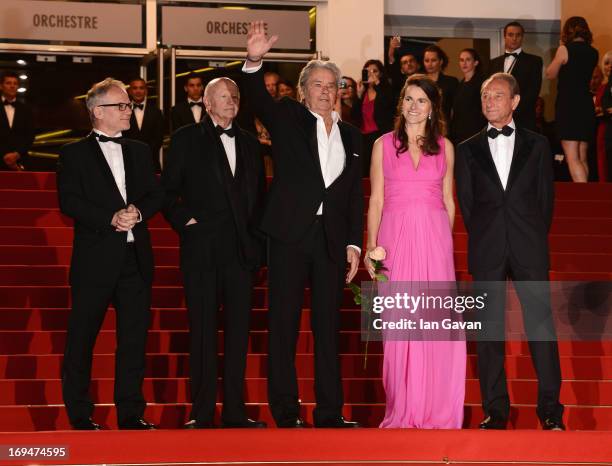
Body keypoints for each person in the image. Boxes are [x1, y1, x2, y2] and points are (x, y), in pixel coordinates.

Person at [244, 21, 363, 428]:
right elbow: (257, 98)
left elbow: (352, 196)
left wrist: (354, 244)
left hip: (330, 239)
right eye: (319, 84)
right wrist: (255, 60)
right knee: (284, 324)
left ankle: (330, 412)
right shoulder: (288, 118)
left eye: (333, 85)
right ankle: (287, 411)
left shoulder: (351, 136)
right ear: (304, 90)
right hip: (290, 235)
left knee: (328, 329)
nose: (327, 91)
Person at [455, 72, 564, 431]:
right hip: (487, 248)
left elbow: (545, 201)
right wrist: (490, 236)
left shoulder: (537, 144)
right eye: (485, 96)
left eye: (497, 96)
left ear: (515, 102)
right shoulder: (467, 148)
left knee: (541, 329)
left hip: (528, 246)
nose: (489, 101)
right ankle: (495, 410)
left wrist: (528, 237)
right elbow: (468, 206)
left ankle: (550, 411)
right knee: (489, 332)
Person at [57, 78, 163, 430]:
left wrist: (138, 211)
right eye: (121, 106)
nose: (128, 110)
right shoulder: (73, 154)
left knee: (133, 340)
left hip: (135, 259)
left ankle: (131, 412)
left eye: (128, 105)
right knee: (82, 339)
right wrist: (110, 217)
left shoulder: (140, 150)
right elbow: (69, 201)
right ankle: (79, 414)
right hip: (95, 260)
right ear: (97, 112)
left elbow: (153, 193)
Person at [162, 77, 267, 429]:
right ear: (207, 103)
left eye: (235, 95)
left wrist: (258, 245)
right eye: (223, 96)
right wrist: (185, 221)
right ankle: (202, 412)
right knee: (203, 333)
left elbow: (260, 199)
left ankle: (236, 411)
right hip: (202, 250)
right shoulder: (184, 140)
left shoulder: (252, 144)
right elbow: (168, 192)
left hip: (242, 254)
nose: (231, 101)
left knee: (239, 336)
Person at [367, 74, 465, 428]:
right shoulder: (382, 145)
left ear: (432, 108)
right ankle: (403, 408)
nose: (413, 106)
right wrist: (370, 246)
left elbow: (448, 201)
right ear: (401, 104)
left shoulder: (446, 148)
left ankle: (436, 409)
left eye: (421, 100)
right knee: (399, 328)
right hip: (394, 240)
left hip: (434, 240)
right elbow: (376, 200)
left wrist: (444, 246)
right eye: (408, 99)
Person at [545, 16, 598, 183]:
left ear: (567, 31)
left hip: (569, 105)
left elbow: (550, 74)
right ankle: (586, 196)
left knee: (572, 157)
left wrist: (560, 53)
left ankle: (584, 199)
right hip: (586, 105)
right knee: (582, 157)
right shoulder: (593, 52)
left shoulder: (565, 49)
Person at [489, 21, 543, 131]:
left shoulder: (534, 61)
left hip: (523, 119)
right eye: (510, 35)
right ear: (504, 37)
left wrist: (510, 110)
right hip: (497, 119)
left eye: (518, 35)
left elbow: (533, 91)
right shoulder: (493, 63)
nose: (514, 38)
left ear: (522, 37)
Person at [353, 59, 395, 175]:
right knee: (364, 170)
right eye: (368, 71)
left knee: (380, 170)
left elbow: (388, 105)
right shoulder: (363, 92)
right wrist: (359, 95)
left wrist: (377, 84)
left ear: (381, 74)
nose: (371, 74)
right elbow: (355, 116)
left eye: (374, 71)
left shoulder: (386, 90)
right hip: (364, 137)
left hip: (380, 135)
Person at [123, 77, 165, 171]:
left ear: (146, 91)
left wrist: (144, 154)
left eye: (141, 88)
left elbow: (158, 139)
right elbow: (121, 138)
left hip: (151, 163)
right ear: (129, 91)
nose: (138, 91)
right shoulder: (122, 112)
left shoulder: (157, 112)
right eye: (135, 88)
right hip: (128, 163)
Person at [451, 48, 486, 144]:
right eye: (461, 60)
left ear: (475, 62)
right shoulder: (460, 84)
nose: (464, 63)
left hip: (475, 133)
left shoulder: (482, 83)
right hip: (459, 134)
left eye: (468, 60)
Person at [0, 71, 34, 170]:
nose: (12, 86)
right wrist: (5, 156)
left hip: (19, 161)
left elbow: (30, 135)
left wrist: (16, 154)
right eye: (8, 83)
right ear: (1, 86)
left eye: (15, 83)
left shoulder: (26, 109)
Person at [423, 45, 458, 129]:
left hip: (444, 128)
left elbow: (456, 109)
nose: (430, 64)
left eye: (433, 60)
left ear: (441, 61)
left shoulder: (451, 82)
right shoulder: (420, 82)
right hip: (422, 127)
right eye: (427, 60)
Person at [594, 51, 611, 181]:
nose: (610, 66)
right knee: (603, 167)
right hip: (602, 130)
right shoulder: (602, 87)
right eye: (606, 63)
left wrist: (604, 111)